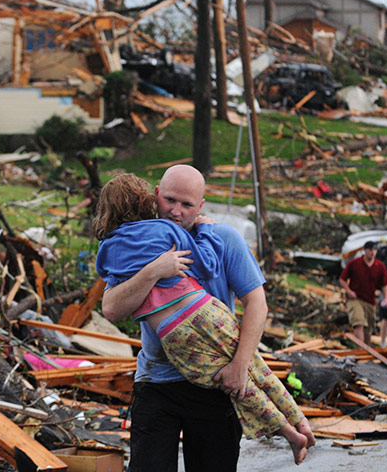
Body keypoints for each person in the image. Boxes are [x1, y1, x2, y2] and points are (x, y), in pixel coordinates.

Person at [99, 166, 313, 471]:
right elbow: (110, 308)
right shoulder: (139, 242)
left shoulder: (224, 238)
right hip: (157, 381)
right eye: (170, 200)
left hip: (216, 381)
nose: (176, 211)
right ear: (155, 195)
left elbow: (256, 303)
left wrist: (238, 366)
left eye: (187, 205)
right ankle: (293, 430)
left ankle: (297, 427)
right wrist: (155, 270)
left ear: (201, 206)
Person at [339, 240, 387, 346]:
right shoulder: (355, 263)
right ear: (364, 250)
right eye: (370, 250)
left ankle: (366, 351)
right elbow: (342, 279)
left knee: (368, 330)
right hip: (355, 298)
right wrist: (349, 291)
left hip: (370, 301)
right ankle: (360, 350)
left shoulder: (380, 266)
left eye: (375, 250)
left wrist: (386, 298)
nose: (372, 252)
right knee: (359, 323)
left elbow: (385, 284)